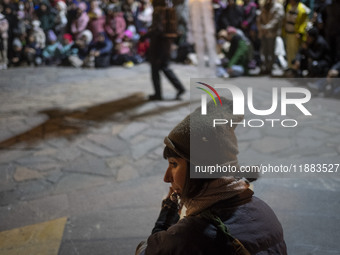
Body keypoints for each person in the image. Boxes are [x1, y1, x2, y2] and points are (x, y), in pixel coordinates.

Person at [136, 97, 287, 255]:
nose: (166, 177)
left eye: (174, 164)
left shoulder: (188, 237)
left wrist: (168, 211)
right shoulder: (263, 210)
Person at [140, 8, 185, 101]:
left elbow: (157, 31)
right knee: (165, 69)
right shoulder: (167, 18)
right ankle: (179, 88)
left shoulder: (160, 16)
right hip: (164, 48)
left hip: (158, 50)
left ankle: (158, 94)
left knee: (156, 72)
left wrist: (144, 37)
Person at [257, 0, 284, 74]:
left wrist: (267, 27)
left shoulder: (278, 7)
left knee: (271, 51)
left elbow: (277, 19)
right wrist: (261, 28)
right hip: (263, 32)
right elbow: (259, 18)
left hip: (272, 33)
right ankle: (265, 66)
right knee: (264, 51)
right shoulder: (263, 6)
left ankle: (270, 67)